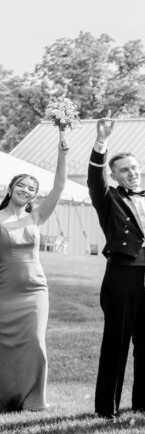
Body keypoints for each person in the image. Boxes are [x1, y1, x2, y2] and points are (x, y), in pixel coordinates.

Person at [89, 117, 145, 419]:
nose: (132, 173)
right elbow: (94, 179)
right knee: (116, 343)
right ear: (114, 175)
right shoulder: (108, 198)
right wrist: (101, 143)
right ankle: (106, 408)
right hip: (121, 277)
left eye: (134, 168)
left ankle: (141, 405)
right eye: (124, 170)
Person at [0, 138, 68, 411]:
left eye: (31, 189)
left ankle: (34, 400)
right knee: (4, 345)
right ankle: (6, 397)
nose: (26, 191)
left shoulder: (36, 217)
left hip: (35, 291)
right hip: (6, 292)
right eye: (21, 186)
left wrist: (63, 154)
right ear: (10, 188)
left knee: (36, 343)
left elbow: (60, 187)